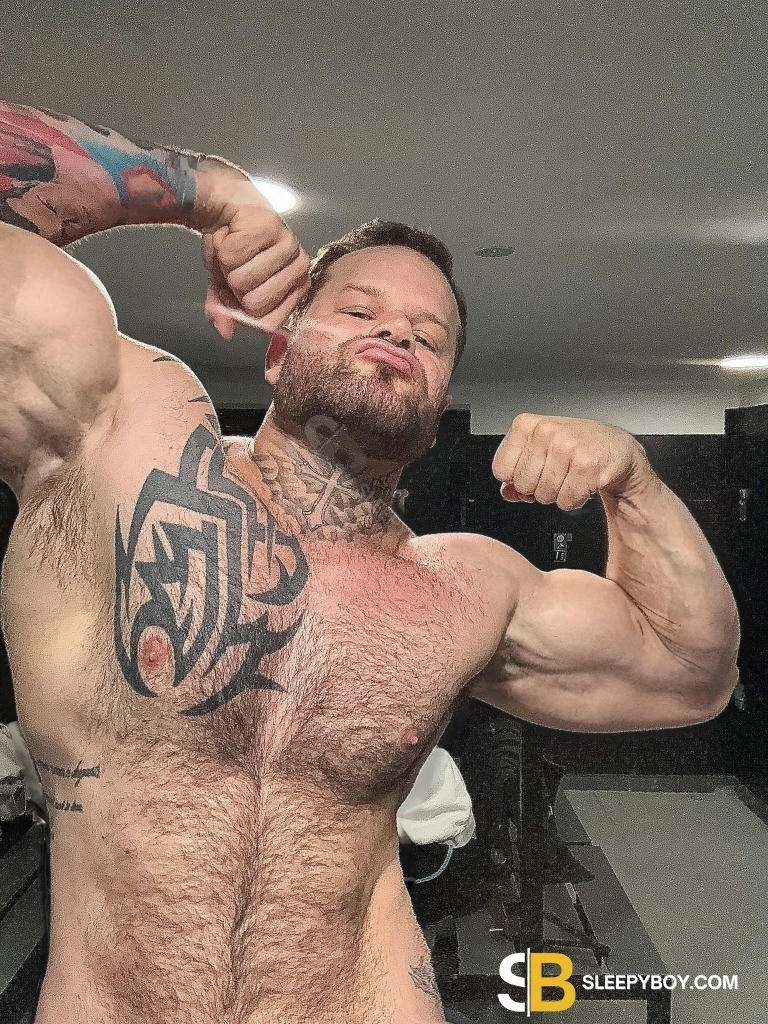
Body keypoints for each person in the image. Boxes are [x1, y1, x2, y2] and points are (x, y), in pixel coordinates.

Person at [0, 101, 739, 1024]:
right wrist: (203, 190)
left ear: (440, 400)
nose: (397, 334)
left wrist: (635, 482)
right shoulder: (118, 442)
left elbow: (691, 672)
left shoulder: (463, 588)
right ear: (279, 353)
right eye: (359, 309)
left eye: (429, 338)